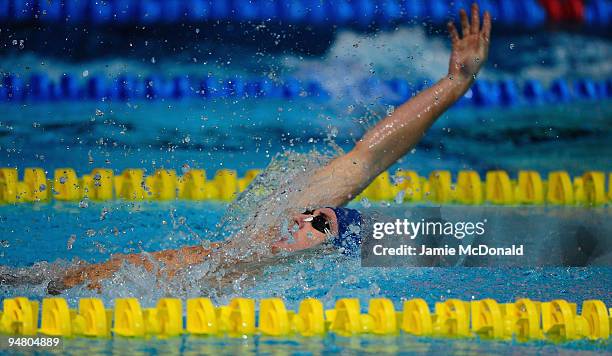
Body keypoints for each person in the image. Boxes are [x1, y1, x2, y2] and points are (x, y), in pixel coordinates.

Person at [47, 4, 491, 294]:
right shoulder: (266, 237)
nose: (303, 217)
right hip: (83, 282)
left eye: (318, 224)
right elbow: (371, 154)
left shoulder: (284, 275)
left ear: (327, 249)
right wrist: (453, 84)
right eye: (314, 214)